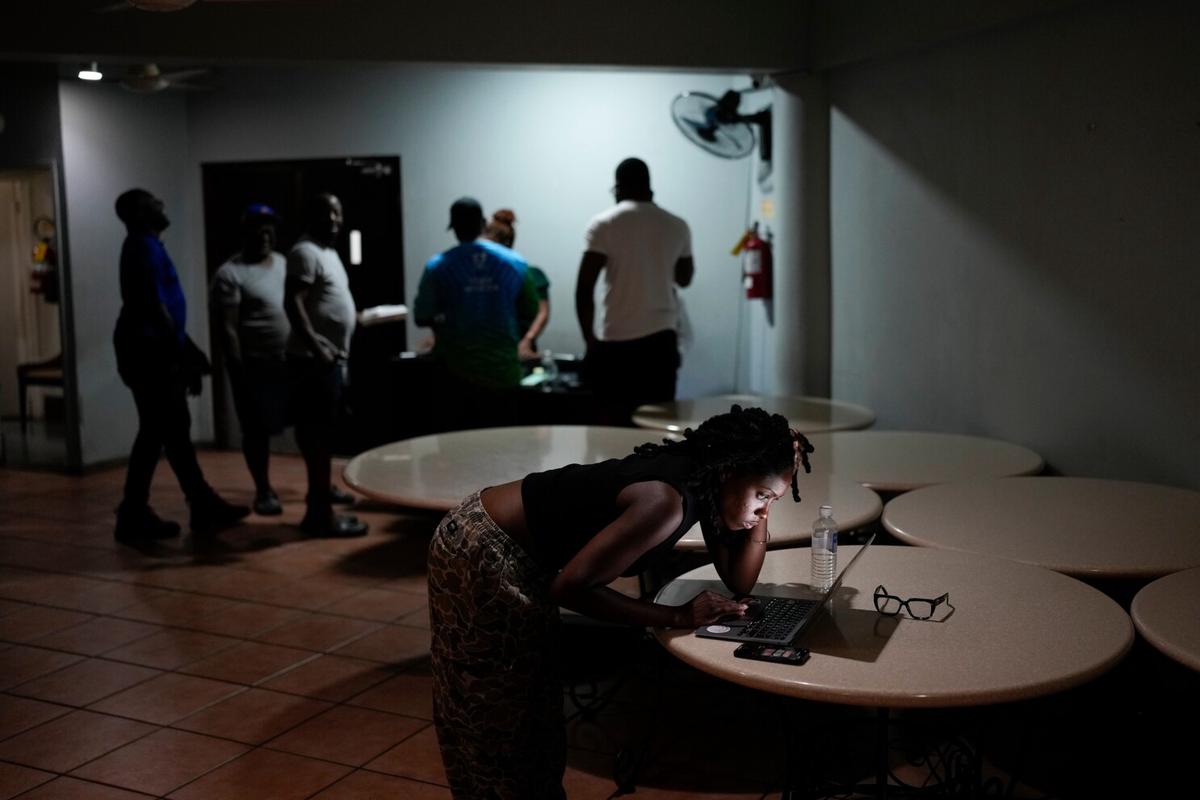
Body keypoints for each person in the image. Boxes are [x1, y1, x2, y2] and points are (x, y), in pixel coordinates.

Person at [428, 404, 814, 798]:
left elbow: (739, 578)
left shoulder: (708, 482)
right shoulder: (666, 501)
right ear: (730, 471)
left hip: (520, 556)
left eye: (773, 501)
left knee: (533, 712)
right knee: (496, 715)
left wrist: (766, 485)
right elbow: (571, 588)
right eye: (761, 496)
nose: (764, 510)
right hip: (482, 545)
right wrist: (677, 615)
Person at [112, 188, 249, 544]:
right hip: (149, 355)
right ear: (140, 214)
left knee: (171, 430)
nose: (161, 204)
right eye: (152, 202)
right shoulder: (142, 248)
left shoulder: (148, 246)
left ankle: (199, 502)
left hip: (152, 351)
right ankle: (134, 513)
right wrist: (181, 358)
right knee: (157, 430)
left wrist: (186, 351)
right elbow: (154, 308)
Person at [575, 157, 694, 425]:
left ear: (618, 187)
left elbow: (584, 289)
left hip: (616, 343)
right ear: (649, 186)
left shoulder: (604, 223)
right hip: (661, 345)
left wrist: (589, 341)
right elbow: (684, 278)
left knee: (613, 429)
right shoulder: (677, 225)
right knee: (655, 429)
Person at [414, 197, 539, 427]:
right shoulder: (515, 263)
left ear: (454, 228)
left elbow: (421, 316)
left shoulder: (438, 266)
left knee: (457, 446)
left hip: (455, 378)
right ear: (483, 223)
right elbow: (531, 310)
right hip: (503, 374)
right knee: (505, 443)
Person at [283, 193, 366, 538]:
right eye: (326, 212)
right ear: (311, 216)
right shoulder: (305, 252)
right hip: (313, 363)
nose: (334, 219)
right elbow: (293, 303)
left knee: (324, 437)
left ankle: (320, 505)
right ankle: (319, 515)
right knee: (316, 438)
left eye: (337, 212)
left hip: (329, 360)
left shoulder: (328, 252)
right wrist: (318, 349)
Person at [210, 204, 290, 516]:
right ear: (246, 232)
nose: (266, 233)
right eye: (259, 226)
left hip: (289, 360)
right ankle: (263, 490)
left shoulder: (282, 263)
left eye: (270, 227)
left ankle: (320, 486)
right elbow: (228, 329)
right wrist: (238, 370)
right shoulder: (230, 274)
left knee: (307, 420)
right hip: (256, 364)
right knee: (256, 431)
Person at [483, 208, 550, 361]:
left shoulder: (530, 274)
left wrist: (527, 340)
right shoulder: (478, 278)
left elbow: (542, 312)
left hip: (519, 351)